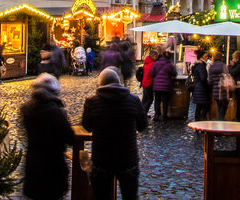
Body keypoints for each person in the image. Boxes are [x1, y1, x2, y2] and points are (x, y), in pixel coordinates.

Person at [81, 68, 147, 200]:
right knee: (130, 196)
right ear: (118, 82)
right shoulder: (133, 100)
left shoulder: (92, 102)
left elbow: (86, 127)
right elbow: (143, 125)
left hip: (102, 159)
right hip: (127, 158)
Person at [21, 73, 75, 200]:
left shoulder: (26, 108)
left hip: (33, 164)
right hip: (53, 167)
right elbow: (70, 138)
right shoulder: (55, 112)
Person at [148, 50, 177, 121]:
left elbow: (152, 73)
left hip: (157, 86)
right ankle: (164, 115)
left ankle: (157, 115)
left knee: (157, 100)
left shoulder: (156, 63)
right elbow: (174, 74)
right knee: (165, 100)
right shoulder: (169, 65)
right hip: (166, 86)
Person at [190, 49, 211, 121]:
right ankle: (201, 122)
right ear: (201, 57)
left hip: (197, 88)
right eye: (205, 56)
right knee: (204, 107)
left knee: (198, 107)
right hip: (201, 89)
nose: (206, 58)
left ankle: (197, 124)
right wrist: (207, 84)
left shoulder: (197, 65)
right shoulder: (201, 66)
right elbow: (203, 78)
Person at [208, 52, 230, 120]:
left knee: (220, 109)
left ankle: (220, 124)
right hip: (224, 91)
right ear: (221, 58)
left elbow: (210, 82)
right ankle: (221, 126)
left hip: (216, 92)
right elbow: (227, 78)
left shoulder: (211, 67)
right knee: (223, 110)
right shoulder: (224, 66)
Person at [141, 50, 157, 116]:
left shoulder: (146, 62)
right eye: (156, 56)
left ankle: (141, 112)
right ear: (153, 56)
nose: (156, 57)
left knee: (145, 98)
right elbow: (154, 73)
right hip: (149, 82)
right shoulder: (152, 64)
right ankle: (144, 113)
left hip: (144, 82)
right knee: (150, 99)